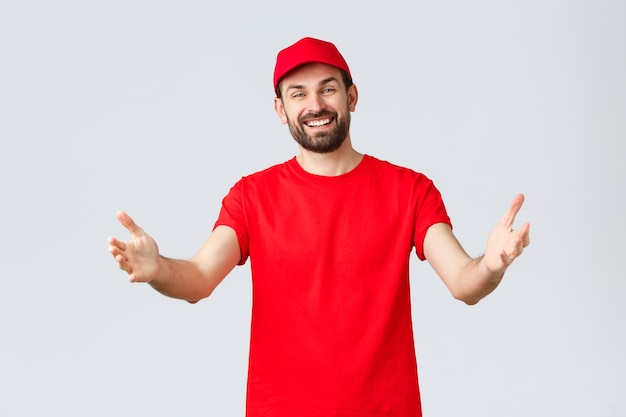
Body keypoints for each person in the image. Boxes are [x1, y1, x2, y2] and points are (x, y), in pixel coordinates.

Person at [108, 37, 530, 417]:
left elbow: (462, 281)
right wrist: (159, 269)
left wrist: (491, 266)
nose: (316, 105)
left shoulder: (410, 191)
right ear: (281, 109)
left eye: (328, 89)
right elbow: (199, 279)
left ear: (351, 97)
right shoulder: (252, 197)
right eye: (299, 94)